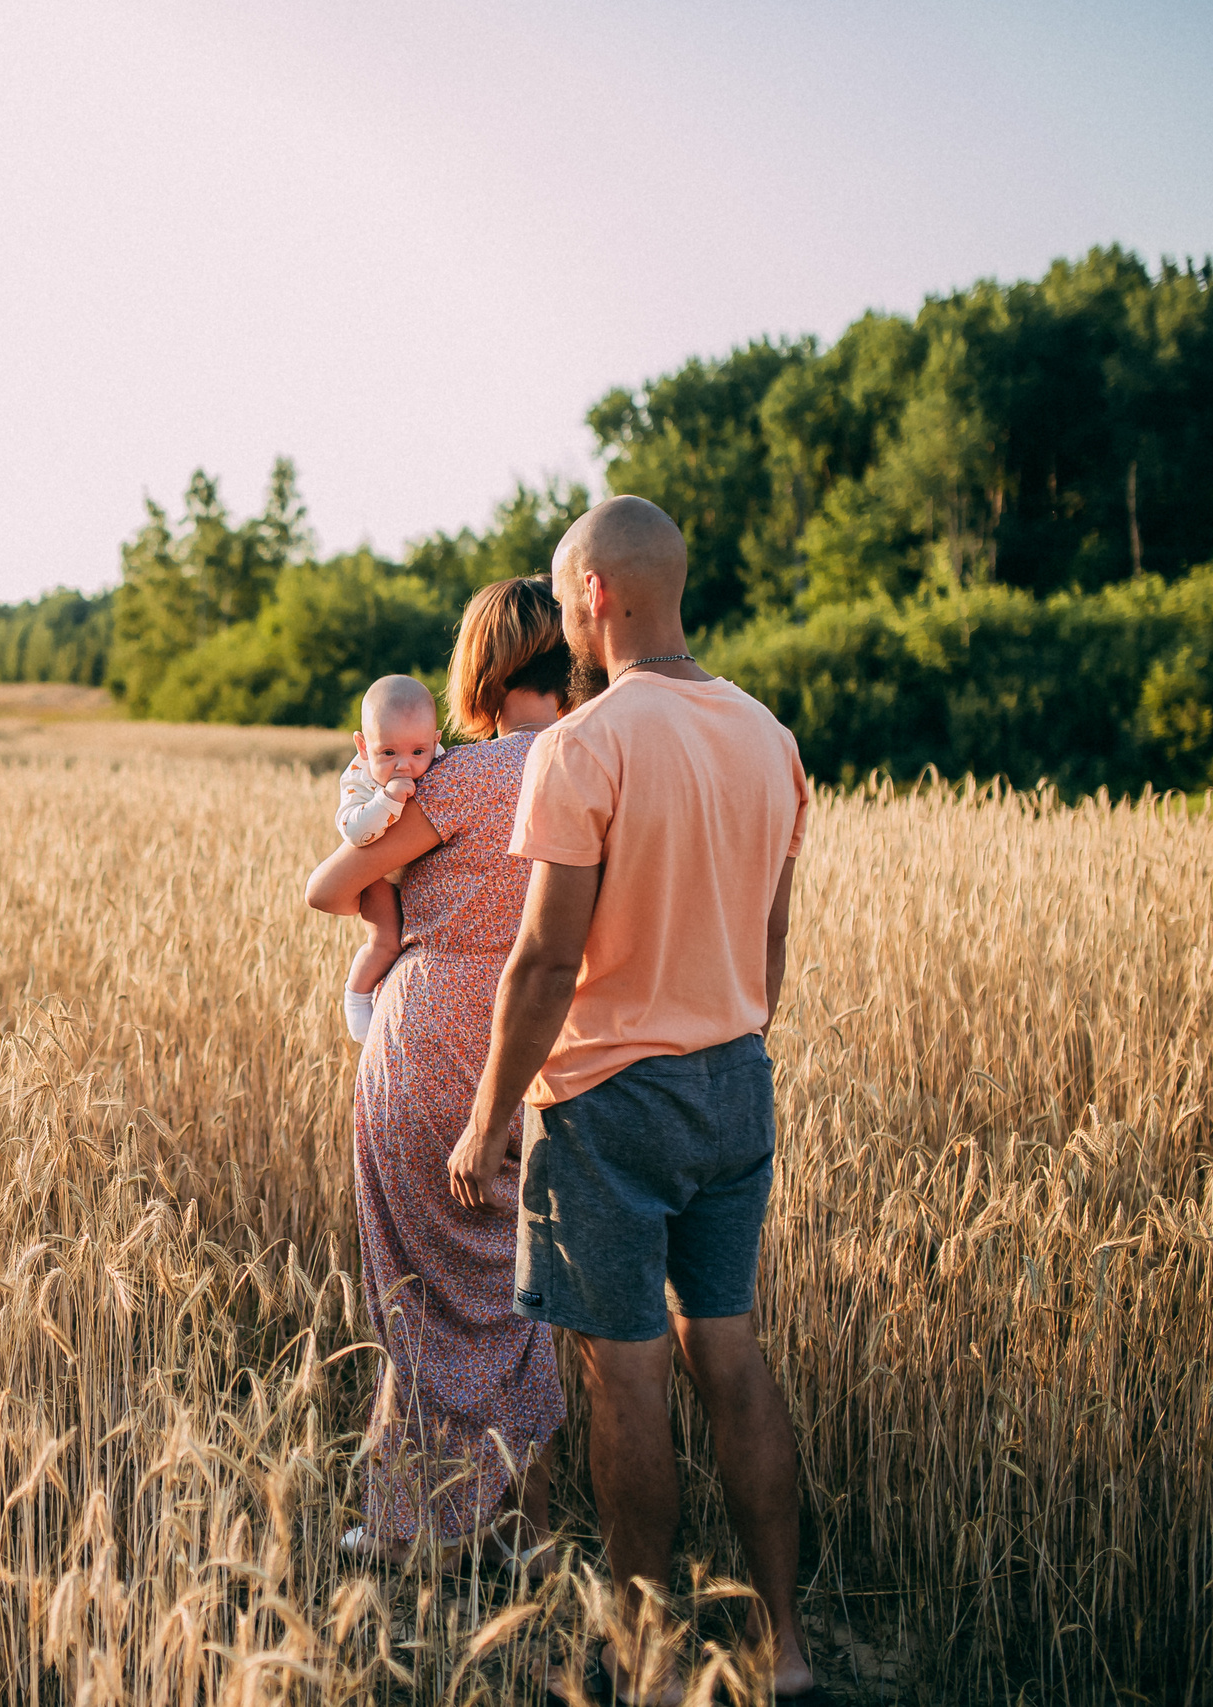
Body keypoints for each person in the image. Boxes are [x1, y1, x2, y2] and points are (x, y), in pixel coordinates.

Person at [445, 496, 816, 1703]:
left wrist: (490, 1112)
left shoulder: (582, 744)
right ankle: (790, 1651)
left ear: (597, 595)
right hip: (735, 1084)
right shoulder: (767, 735)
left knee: (630, 1377)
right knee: (734, 1354)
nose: (560, 619)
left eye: (562, 595)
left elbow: (547, 959)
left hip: (608, 1103)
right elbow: (767, 951)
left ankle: (646, 1664)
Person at [303, 578, 574, 1570]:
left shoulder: (455, 780)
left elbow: (326, 886)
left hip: (421, 1043)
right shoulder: (600, 762)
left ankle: (410, 1526)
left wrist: (392, 893)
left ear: (481, 668)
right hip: (544, 1045)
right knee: (526, 1294)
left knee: (413, 1294)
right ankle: (526, 1533)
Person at [334, 676, 444, 1043]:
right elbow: (353, 831)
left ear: (436, 742)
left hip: (417, 869)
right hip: (377, 875)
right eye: (388, 753)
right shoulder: (358, 779)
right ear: (363, 747)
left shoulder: (442, 766)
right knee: (385, 942)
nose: (404, 766)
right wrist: (388, 800)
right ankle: (357, 996)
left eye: (418, 752)